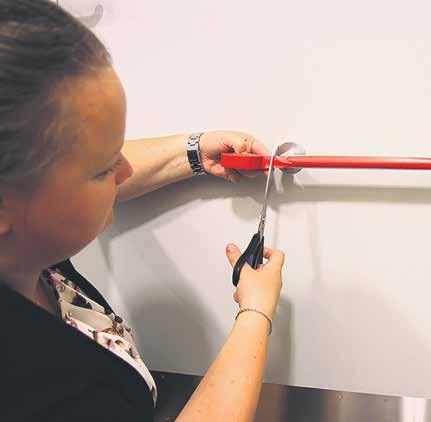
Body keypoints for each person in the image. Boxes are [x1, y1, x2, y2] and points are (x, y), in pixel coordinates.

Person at [0, 1, 285, 421]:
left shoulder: (24, 246)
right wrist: (255, 311)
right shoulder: (38, 382)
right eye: (103, 169)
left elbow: (70, 163)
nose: (126, 170)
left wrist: (193, 151)